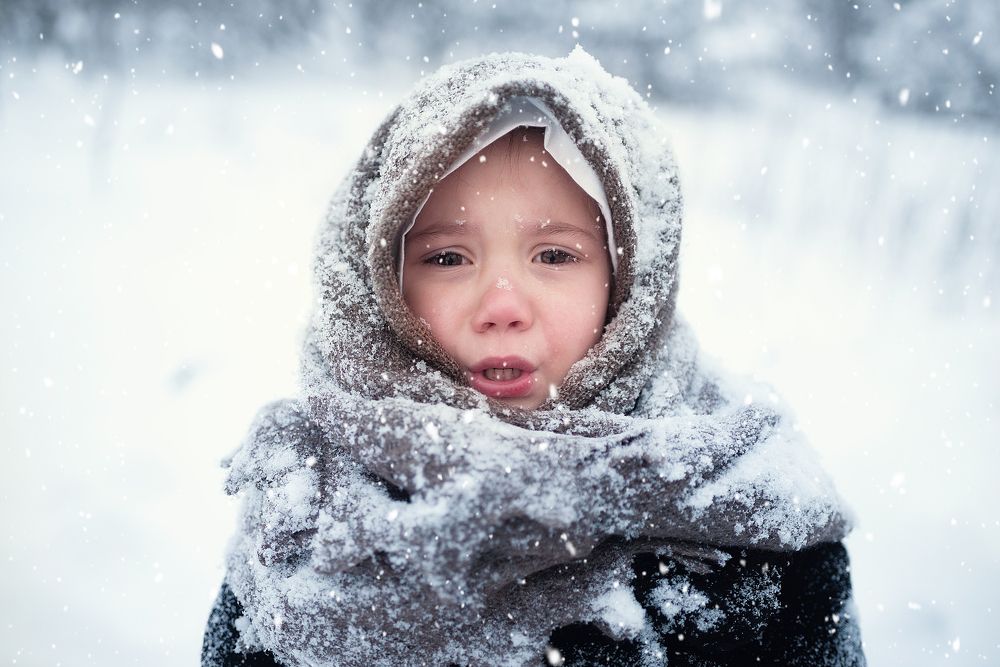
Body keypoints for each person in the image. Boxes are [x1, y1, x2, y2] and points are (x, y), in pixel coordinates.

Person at [202, 47, 866, 666]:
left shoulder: (744, 524)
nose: (501, 304)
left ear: (628, 284)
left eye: (554, 255)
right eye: (447, 257)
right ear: (383, 285)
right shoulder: (310, 513)